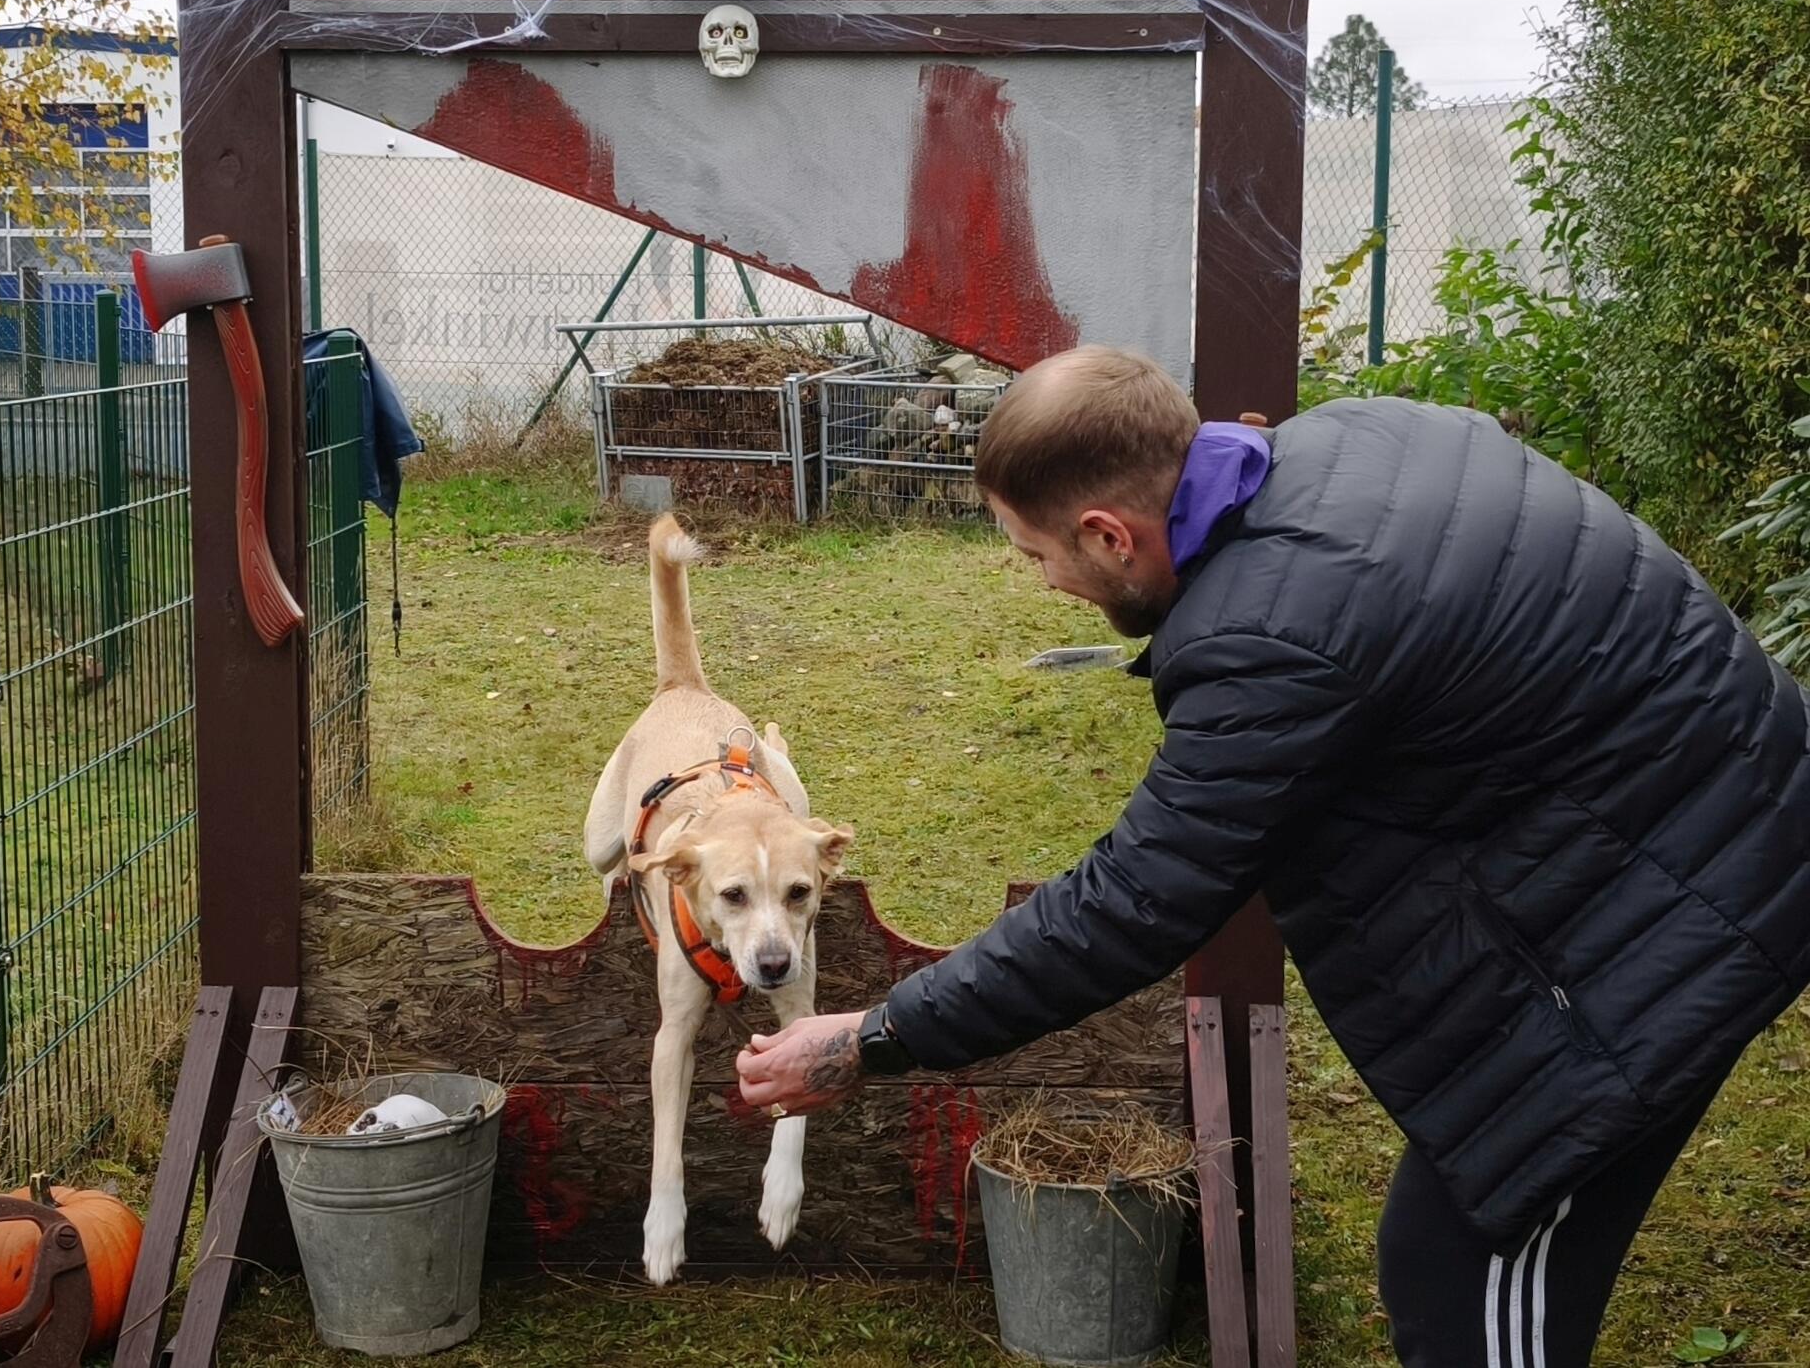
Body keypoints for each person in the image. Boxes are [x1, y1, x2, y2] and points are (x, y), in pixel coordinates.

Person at [736, 344, 1810, 1367]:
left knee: (1478, 1269)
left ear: (1111, 535)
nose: (1042, 581)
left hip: (1694, 891)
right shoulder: (1347, 440)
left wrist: (875, 1036)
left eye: (1037, 552)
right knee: (1448, 1253)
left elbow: (1133, 902)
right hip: (1675, 812)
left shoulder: (1273, 638)